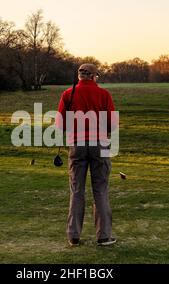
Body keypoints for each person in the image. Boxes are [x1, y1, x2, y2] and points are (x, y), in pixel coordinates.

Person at [56, 64, 118, 247]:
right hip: (101, 143)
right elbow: (113, 125)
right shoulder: (104, 94)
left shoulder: (68, 94)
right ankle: (104, 236)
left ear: (79, 76)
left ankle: (73, 236)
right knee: (101, 190)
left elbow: (60, 124)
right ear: (93, 76)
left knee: (77, 191)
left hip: (77, 144)